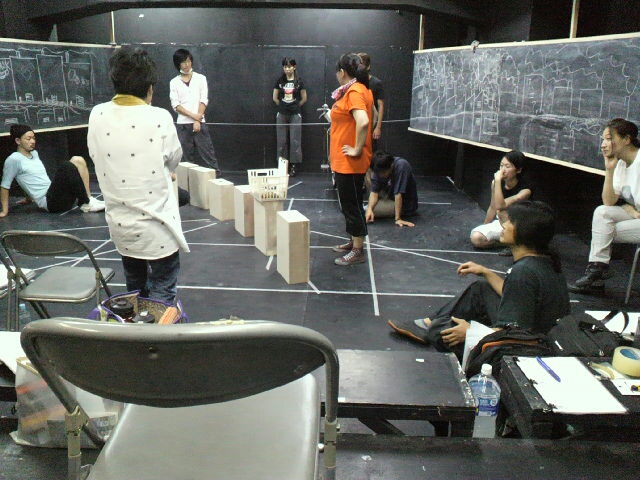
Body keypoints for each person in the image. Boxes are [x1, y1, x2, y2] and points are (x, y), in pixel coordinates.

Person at [388, 201, 570, 358]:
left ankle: (431, 327)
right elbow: (517, 296)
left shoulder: (523, 273)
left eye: (510, 222)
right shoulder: (544, 261)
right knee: (481, 287)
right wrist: (485, 272)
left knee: (440, 331)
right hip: (539, 333)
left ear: (525, 232)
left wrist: (471, 332)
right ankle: (427, 323)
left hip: (528, 348)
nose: (504, 225)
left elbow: (515, 336)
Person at [88, 46, 189, 303]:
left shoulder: (97, 114)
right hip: (159, 230)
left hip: (122, 228)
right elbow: (174, 159)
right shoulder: (159, 117)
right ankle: (158, 328)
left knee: (134, 290)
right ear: (150, 87)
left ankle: (137, 327)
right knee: (162, 293)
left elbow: (95, 154)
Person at [569, 118, 640, 295]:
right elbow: (608, 202)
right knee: (602, 213)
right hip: (636, 215)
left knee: (603, 232)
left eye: (609, 139)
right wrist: (609, 169)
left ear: (627, 139)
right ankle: (597, 271)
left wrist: (628, 208)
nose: (603, 145)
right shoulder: (620, 163)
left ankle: (597, 275)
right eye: (603, 139)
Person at [0, 124, 104, 217]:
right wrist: (5, 211)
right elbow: (4, 186)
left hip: (57, 196)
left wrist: (28, 198)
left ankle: (89, 199)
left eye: (34, 138)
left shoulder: (34, 154)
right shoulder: (13, 160)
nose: (33, 141)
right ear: (18, 141)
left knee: (78, 160)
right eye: (28, 139)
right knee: (66, 166)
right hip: (51, 203)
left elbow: (27, 178)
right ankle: (85, 204)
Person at [329, 53, 374, 266]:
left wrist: (357, 149)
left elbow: (363, 121)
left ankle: (358, 250)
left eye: (337, 72)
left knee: (352, 205)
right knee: (349, 204)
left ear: (342, 72)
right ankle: (353, 241)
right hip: (344, 161)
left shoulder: (355, 91)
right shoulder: (360, 89)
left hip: (350, 163)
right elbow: (371, 116)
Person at [169, 48, 221, 173]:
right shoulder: (174, 82)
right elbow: (176, 105)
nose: (186, 65)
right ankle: (187, 185)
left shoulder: (200, 78)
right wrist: (194, 116)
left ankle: (215, 180)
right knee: (186, 161)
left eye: (188, 61)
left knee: (209, 156)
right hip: (183, 125)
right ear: (178, 64)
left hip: (200, 123)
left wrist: (197, 120)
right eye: (183, 62)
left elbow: (204, 100)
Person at [470, 150, 531, 249]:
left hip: (519, 227)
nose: (503, 170)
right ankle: (507, 244)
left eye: (507, 166)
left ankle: (515, 243)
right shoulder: (496, 184)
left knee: (501, 211)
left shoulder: (525, 190)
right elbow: (493, 207)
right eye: (501, 165)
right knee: (476, 238)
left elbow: (500, 206)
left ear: (518, 170)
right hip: (502, 224)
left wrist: (497, 181)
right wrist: (485, 226)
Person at [272, 57, 307, 177]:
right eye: (285, 67)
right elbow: (275, 98)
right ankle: (283, 166)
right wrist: (282, 106)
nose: (287, 69)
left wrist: (296, 106)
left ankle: (294, 166)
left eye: (289, 66)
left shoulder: (299, 81)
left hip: (295, 114)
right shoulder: (280, 81)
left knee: (295, 140)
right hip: (282, 114)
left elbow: (304, 98)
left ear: (294, 67)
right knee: (281, 141)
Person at [365, 150, 418, 228]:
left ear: (391, 165)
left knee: (364, 212)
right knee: (367, 172)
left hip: (402, 204)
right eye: (379, 173)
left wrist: (398, 219)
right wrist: (370, 208)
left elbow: (398, 194)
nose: (381, 175)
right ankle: (369, 207)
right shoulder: (378, 167)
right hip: (388, 193)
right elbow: (374, 192)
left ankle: (366, 207)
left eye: (383, 172)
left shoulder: (401, 166)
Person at [357, 53, 384, 149]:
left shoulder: (376, 83)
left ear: (368, 67)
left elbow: (380, 106)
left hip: (371, 124)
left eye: (362, 66)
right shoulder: (354, 84)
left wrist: (378, 127)